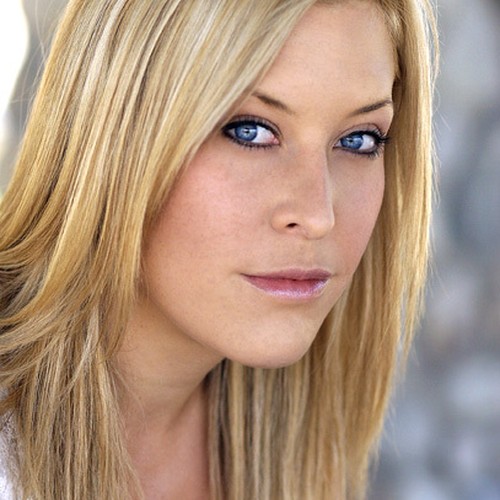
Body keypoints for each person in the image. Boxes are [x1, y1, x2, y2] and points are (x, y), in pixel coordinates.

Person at [0, 0, 437, 498]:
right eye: (250, 131)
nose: (319, 215)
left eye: (358, 140)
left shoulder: (292, 446)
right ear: (115, 131)